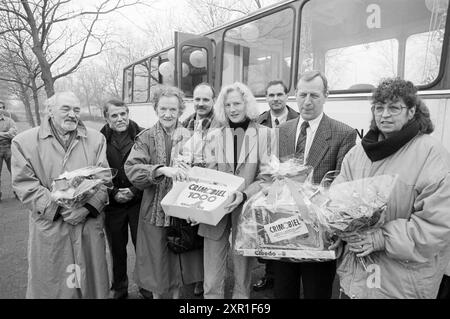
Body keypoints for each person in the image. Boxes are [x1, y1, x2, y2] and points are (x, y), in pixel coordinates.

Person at [331, 77, 450, 299]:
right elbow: (338, 198)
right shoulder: (358, 153)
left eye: (394, 108)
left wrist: (381, 238)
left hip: (401, 285)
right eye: (379, 107)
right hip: (355, 279)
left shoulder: (433, 156)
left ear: (412, 111)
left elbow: (438, 226)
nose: (385, 114)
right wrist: (338, 228)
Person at [11, 91, 110, 298]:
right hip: (51, 224)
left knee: (90, 279)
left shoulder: (96, 139)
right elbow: (24, 184)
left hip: (87, 223)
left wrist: (86, 209)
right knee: (54, 282)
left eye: (76, 109)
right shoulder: (24, 142)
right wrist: (56, 209)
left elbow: (104, 179)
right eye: (65, 109)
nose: (72, 114)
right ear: (50, 110)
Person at [273, 70, 357, 299]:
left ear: (326, 95)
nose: (307, 102)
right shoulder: (282, 131)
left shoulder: (344, 134)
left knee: (316, 292)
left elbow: (342, 187)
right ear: (295, 96)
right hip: (283, 229)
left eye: (314, 95)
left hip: (319, 233)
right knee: (283, 292)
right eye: (302, 95)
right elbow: (272, 177)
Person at [124, 85, 203, 299]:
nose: (168, 114)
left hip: (185, 209)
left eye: (173, 110)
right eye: (163, 109)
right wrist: (160, 169)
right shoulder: (145, 138)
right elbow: (132, 169)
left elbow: (205, 169)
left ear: (180, 111)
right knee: (158, 265)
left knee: (181, 265)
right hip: (154, 211)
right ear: (156, 109)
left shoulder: (192, 137)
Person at [199, 82, 274, 299]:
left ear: (246, 104)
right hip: (215, 208)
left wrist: (243, 194)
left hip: (246, 207)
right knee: (211, 276)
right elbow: (208, 173)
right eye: (228, 104)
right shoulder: (213, 135)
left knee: (242, 276)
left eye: (237, 103)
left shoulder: (265, 135)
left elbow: (267, 177)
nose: (233, 108)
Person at [253, 80, 299, 292]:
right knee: (268, 228)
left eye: (279, 94)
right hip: (267, 181)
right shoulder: (258, 121)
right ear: (266, 98)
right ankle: (269, 274)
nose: (275, 99)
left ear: (287, 96)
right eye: (271, 95)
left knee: (288, 229)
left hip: (291, 181)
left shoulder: (298, 120)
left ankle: (290, 275)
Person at [100, 99, 143, 299]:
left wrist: (134, 190)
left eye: (123, 114)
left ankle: (146, 286)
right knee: (117, 250)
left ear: (128, 113)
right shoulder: (99, 139)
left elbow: (149, 165)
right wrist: (113, 192)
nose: (120, 119)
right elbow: (96, 171)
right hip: (112, 204)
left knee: (142, 248)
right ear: (107, 118)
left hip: (138, 201)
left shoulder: (142, 135)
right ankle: (120, 287)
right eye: (114, 115)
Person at [179, 82, 219, 296]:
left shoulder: (222, 124)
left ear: (213, 100)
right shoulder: (185, 124)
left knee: (209, 237)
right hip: (190, 186)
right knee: (193, 233)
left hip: (212, 187)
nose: (201, 103)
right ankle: (198, 277)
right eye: (197, 99)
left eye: (206, 99)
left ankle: (209, 280)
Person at [0, 100, 17, 202]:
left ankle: (18, 193)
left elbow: (13, 133)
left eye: (1, 107)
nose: (0, 109)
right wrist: (6, 133)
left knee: (15, 172)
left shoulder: (9, 120)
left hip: (8, 148)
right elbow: (9, 133)